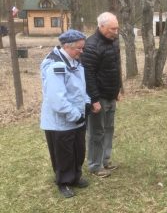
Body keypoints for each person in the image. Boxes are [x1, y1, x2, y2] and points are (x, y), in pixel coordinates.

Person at [40, 29, 90, 198]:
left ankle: (75, 176)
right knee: (63, 153)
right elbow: (57, 99)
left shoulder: (74, 61)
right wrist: (75, 114)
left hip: (77, 117)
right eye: (79, 48)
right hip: (61, 121)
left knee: (78, 149)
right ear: (67, 47)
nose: (82, 51)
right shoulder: (55, 65)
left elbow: (79, 87)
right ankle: (63, 182)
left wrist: (87, 102)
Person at [81, 12, 122, 178]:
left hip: (111, 95)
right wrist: (94, 99)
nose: (116, 31)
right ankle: (94, 166)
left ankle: (106, 160)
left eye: (117, 28)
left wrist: (117, 89)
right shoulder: (91, 45)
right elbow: (88, 75)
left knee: (109, 129)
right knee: (96, 132)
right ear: (102, 26)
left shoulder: (113, 41)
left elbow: (115, 67)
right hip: (98, 98)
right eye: (113, 28)